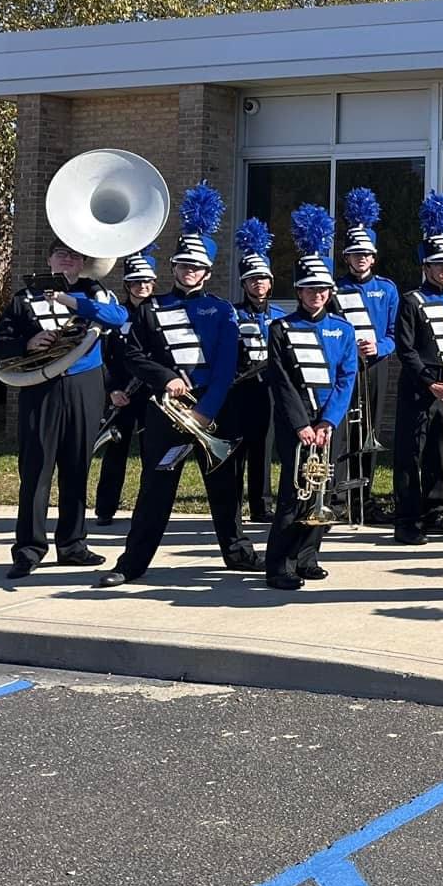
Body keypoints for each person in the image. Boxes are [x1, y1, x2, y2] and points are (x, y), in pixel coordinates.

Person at [98, 184, 255, 587]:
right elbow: (131, 354)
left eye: (195, 267)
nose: (189, 272)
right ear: (173, 268)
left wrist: (208, 409)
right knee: (156, 487)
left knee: (224, 488)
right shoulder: (151, 309)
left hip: (213, 409)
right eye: (183, 265)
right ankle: (132, 564)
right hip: (166, 410)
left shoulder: (221, 310)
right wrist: (165, 378)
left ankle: (238, 553)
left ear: (206, 272)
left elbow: (224, 366)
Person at [0, 237, 129, 578]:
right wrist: (28, 343)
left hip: (85, 386)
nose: (67, 260)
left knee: (77, 466)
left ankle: (73, 545)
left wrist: (67, 299)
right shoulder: (25, 299)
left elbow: (117, 317)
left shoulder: (95, 293)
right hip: (41, 388)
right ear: (49, 259)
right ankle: (28, 549)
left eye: (75, 256)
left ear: (83, 263)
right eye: (61, 254)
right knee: (35, 470)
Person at [261, 206, 360, 592]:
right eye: (308, 289)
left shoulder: (342, 329)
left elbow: (346, 377)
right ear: (298, 292)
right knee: (293, 493)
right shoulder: (281, 328)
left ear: (329, 293)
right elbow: (281, 380)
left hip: (326, 424)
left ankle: (307, 557)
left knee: (323, 490)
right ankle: (279, 564)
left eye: (321, 290)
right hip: (296, 425)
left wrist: (328, 422)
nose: (315, 295)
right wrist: (302, 423)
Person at [392, 194, 443, 544]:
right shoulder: (411, 300)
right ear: (425, 267)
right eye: (438, 264)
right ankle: (407, 521)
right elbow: (405, 349)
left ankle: (436, 512)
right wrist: (429, 383)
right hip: (418, 385)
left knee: (440, 450)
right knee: (410, 453)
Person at [334, 188, 400, 501]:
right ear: (346, 257)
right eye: (355, 254)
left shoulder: (387, 289)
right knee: (342, 428)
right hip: (344, 366)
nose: (361, 259)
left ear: (373, 257)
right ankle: (337, 493)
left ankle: (364, 495)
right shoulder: (334, 288)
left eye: (366, 254)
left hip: (376, 364)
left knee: (369, 429)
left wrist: (380, 349)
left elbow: (395, 332)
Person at [93, 249, 160, 525]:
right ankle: (105, 509)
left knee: (151, 453)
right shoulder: (115, 317)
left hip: (152, 395)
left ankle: (147, 510)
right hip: (121, 394)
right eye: (135, 282)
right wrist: (112, 390)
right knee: (115, 453)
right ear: (127, 285)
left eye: (146, 282)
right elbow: (102, 358)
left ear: (153, 283)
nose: (141, 287)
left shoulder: (161, 315)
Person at [227, 219, 282, 524]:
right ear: (244, 284)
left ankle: (261, 505)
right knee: (238, 446)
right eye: (252, 279)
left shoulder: (280, 317)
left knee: (263, 446)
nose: (258, 284)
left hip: (268, 390)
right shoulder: (231, 314)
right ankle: (232, 504)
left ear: (270, 282)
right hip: (240, 389)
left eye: (263, 279)